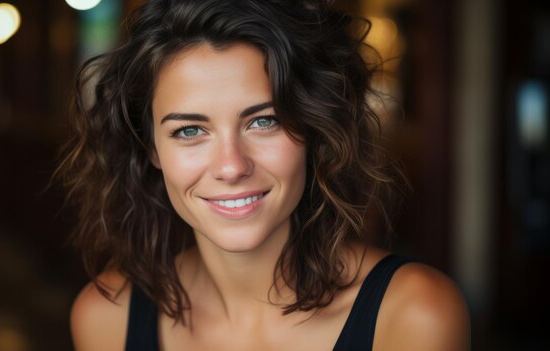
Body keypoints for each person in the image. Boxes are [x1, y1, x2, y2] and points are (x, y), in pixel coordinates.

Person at [58, 0, 470, 350]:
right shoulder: (106, 318)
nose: (232, 166)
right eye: (189, 131)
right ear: (151, 148)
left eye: (264, 121)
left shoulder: (414, 316)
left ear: (312, 128)